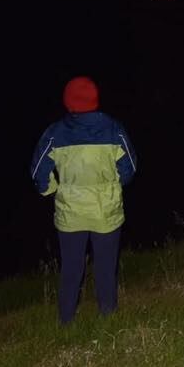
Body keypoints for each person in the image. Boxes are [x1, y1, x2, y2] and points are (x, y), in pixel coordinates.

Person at [30, 76, 137, 325]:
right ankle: (108, 318)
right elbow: (130, 168)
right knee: (105, 268)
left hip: (71, 214)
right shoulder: (114, 129)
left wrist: (52, 190)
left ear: (68, 102)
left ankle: (66, 322)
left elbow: (38, 173)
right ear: (95, 100)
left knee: (71, 270)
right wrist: (112, 187)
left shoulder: (54, 133)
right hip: (106, 212)